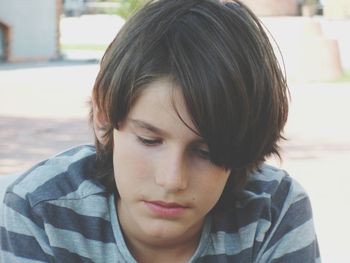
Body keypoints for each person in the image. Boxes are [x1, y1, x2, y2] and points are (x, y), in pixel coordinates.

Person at [0, 0, 321, 262]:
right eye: (149, 140)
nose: (172, 179)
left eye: (206, 152)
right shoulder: (40, 211)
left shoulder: (274, 212)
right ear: (103, 115)